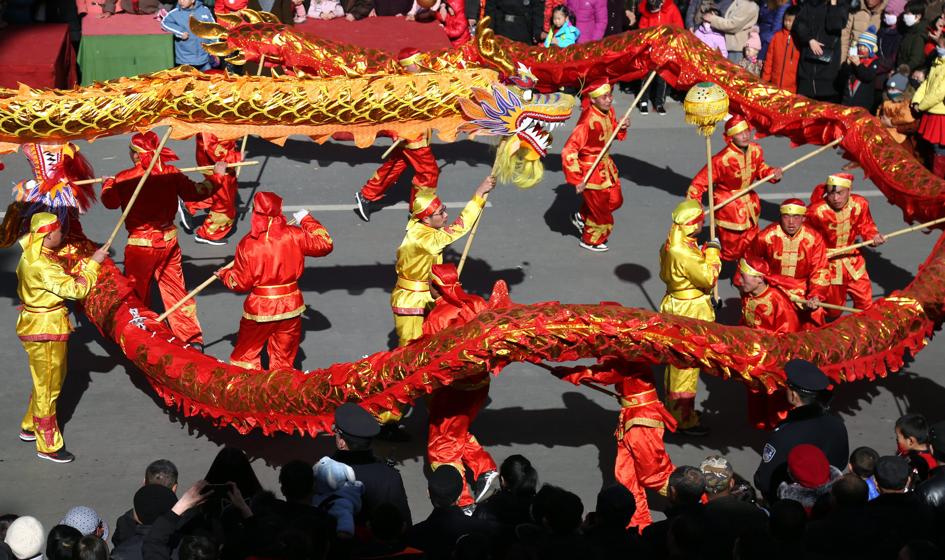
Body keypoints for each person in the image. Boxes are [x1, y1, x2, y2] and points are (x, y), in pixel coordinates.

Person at [101, 131, 227, 347]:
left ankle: (139, 335)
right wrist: (217, 176)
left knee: (137, 293)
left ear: (135, 154)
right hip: (169, 242)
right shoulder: (171, 173)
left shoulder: (124, 178)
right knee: (176, 290)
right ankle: (190, 337)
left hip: (141, 247)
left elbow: (110, 202)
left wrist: (107, 185)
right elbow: (197, 192)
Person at [15, 213, 107, 464]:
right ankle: (48, 445)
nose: (62, 234)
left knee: (45, 381)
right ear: (46, 236)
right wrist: (93, 264)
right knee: (48, 387)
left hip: (39, 324)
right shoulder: (43, 265)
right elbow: (76, 290)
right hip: (46, 329)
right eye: (58, 231)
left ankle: (30, 426)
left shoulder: (33, 255)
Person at [554, 358, 676, 528]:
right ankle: (637, 523)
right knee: (627, 476)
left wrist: (573, 373)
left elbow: (608, 374)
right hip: (631, 417)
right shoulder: (626, 352)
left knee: (653, 474)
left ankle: (695, 494)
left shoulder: (628, 354)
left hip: (642, 421)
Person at [217, 192, 333, 371]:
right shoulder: (294, 234)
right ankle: (281, 385)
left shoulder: (248, 244)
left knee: (245, 355)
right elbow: (325, 243)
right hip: (292, 305)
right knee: (283, 359)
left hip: (261, 307)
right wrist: (306, 219)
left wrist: (225, 274)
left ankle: (249, 386)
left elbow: (241, 283)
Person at [423, 264, 502, 514]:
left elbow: (430, 359)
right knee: (456, 431)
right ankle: (484, 467)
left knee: (442, 447)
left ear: (436, 287)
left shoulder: (437, 318)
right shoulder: (476, 303)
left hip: (453, 390)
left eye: (429, 283)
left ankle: (463, 501)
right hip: (480, 384)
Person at [390, 176, 494, 346]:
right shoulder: (426, 240)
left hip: (431, 293)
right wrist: (479, 194)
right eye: (440, 213)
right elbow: (459, 227)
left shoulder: (420, 227)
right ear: (426, 219)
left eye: (444, 209)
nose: (446, 216)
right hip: (412, 301)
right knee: (410, 351)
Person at [354, 48, 440, 222]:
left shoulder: (421, 79)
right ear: (410, 65)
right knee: (428, 173)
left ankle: (366, 195)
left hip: (415, 134)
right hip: (412, 137)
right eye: (418, 62)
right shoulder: (402, 86)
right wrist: (394, 132)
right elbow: (388, 112)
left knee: (397, 165)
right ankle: (419, 211)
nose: (422, 64)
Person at [659, 199, 721, 435]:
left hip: (676, 303)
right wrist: (713, 252)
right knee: (686, 366)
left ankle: (675, 410)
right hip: (690, 310)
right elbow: (708, 278)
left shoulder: (671, 244)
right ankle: (683, 419)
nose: (702, 225)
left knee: (675, 364)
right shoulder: (683, 251)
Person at [687, 114, 783, 262]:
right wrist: (695, 212)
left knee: (752, 247)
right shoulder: (720, 160)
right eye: (739, 133)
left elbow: (760, 168)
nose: (745, 136)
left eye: (746, 131)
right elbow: (697, 185)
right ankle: (701, 258)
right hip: (729, 209)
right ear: (730, 137)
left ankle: (744, 273)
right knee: (730, 252)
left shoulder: (756, 150)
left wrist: (772, 173)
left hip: (750, 207)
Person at [753, 358, 850, 500]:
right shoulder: (837, 424)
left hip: (793, 503)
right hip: (828, 498)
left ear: (794, 395)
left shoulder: (784, 434)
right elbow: (840, 462)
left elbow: (765, 482)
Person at [562, 79, 629, 252]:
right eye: (604, 97)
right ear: (592, 99)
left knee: (615, 200)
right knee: (601, 213)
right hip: (591, 171)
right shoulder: (586, 122)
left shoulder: (609, 111)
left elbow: (609, 134)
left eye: (610, 95)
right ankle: (590, 240)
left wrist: (621, 127)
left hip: (606, 166)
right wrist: (576, 178)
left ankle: (582, 216)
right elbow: (569, 150)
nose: (609, 99)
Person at [805, 172, 884, 316]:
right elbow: (807, 238)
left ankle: (863, 328)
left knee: (865, 305)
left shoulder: (860, 204)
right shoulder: (815, 211)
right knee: (833, 310)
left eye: (840, 193)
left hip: (854, 262)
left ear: (849, 190)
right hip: (829, 265)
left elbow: (866, 226)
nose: (836, 198)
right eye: (831, 193)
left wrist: (873, 237)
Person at [735, 256, 800, 430]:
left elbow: (789, 336)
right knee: (756, 401)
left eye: (743, 276)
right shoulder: (748, 295)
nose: (739, 280)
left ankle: (780, 434)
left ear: (759, 279)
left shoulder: (777, 300)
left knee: (776, 403)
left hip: (773, 362)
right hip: (753, 360)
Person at [747, 198, 831, 328]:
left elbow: (820, 270)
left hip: (803, 290)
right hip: (774, 288)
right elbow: (750, 262)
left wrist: (815, 295)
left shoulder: (814, 239)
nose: (791, 222)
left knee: (815, 315)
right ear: (781, 217)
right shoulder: (766, 236)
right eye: (786, 217)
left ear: (803, 218)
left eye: (796, 217)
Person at [331, 403, 413, 527]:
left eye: (336, 431)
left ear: (342, 443)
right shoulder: (390, 477)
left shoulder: (324, 473)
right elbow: (403, 524)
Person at [178, 132, 241, 245]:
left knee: (221, 192)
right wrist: (236, 157)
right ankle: (209, 234)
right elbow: (211, 146)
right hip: (217, 162)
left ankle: (190, 202)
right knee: (224, 203)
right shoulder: (209, 126)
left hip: (220, 159)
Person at [793, 0, 850, 102]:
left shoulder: (841, 5)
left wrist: (833, 4)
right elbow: (798, 23)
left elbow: (834, 25)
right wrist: (809, 39)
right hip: (807, 67)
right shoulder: (810, 4)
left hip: (827, 71)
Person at [636, 0, 682, 115]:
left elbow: (678, 27)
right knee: (646, 76)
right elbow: (642, 29)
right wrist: (647, 43)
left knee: (662, 77)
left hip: (665, 48)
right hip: (650, 49)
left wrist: (671, 42)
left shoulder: (671, 8)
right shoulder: (647, 10)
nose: (653, 11)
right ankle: (643, 102)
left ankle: (659, 103)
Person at [912, 35, 945, 177]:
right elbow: (926, 83)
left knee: (940, 149)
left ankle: (938, 180)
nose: (938, 48)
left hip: (940, 113)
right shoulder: (937, 62)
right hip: (931, 111)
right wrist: (916, 100)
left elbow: (940, 92)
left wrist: (922, 105)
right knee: (930, 148)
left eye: (941, 46)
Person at [160, 0, 217, 70]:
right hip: (185, 60)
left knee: (207, 76)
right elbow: (164, 23)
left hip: (205, 58)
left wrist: (214, 49)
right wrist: (180, 32)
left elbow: (213, 28)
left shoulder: (204, 10)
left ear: (192, 0)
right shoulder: (175, 13)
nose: (181, 1)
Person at [842, 26, 882, 109]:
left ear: (871, 49)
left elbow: (868, 76)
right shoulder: (857, 57)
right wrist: (848, 64)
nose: (861, 49)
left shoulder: (875, 62)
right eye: (860, 46)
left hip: (862, 102)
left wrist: (858, 64)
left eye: (865, 47)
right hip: (848, 99)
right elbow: (845, 75)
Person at [763, 6, 800, 91]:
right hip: (774, 84)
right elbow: (769, 60)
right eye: (785, 20)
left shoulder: (799, 40)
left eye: (790, 21)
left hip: (792, 88)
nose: (787, 23)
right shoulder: (777, 36)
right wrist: (765, 80)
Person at [895, 412, 938, 482]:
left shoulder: (928, 464)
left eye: (898, 437)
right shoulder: (905, 448)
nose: (897, 439)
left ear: (910, 441)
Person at [896, 3, 925, 72]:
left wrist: (900, 70)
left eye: (908, 13)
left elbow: (915, 60)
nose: (905, 16)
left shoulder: (919, 36)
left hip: (905, 73)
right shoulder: (909, 30)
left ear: (918, 16)